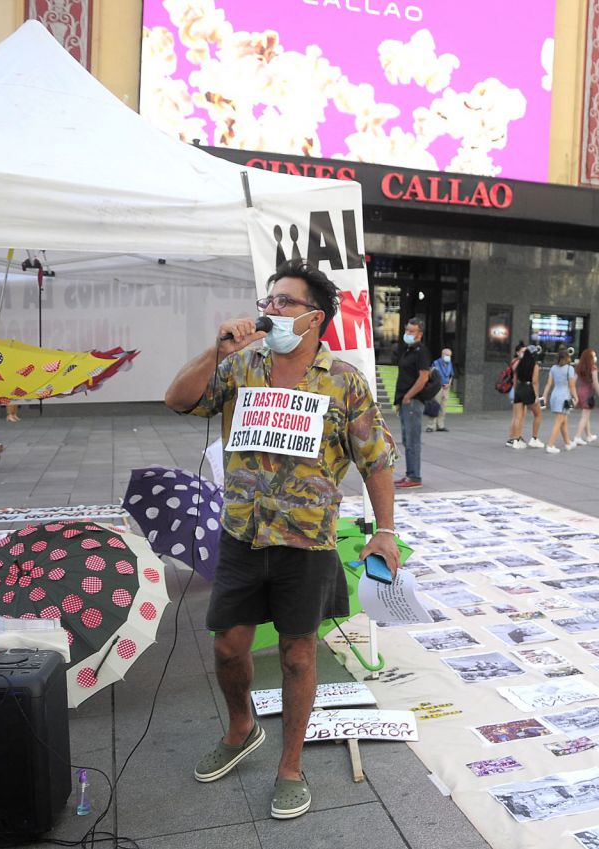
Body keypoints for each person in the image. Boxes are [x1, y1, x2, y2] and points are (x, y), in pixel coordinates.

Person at [164, 259, 399, 820]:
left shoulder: (343, 381)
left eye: (283, 303)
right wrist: (215, 350)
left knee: (298, 654)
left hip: (307, 544)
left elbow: (377, 461)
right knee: (227, 647)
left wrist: (385, 532)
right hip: (243, 535)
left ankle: (290, 766)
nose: (269, 311)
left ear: (314, 317)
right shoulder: (241, 365)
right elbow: (178, 399)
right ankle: (242, 725)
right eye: (267, 301)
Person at [393, 317, 431, 488]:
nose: (407, 333)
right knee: (407, 440)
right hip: (405, 402)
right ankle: (410, 474)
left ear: (420, 334)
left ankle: (415, 476)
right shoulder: (409, 350)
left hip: (413, 402)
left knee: (412, 440)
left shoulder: (421, 351)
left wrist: (408, 396)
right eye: (407, 330)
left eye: (411, 331)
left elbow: (423, 377)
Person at [540, 349, 578, 453]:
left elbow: (548, 384)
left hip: (554, 395)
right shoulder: (570, 369)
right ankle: (550, 445)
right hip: (564, 396)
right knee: (559, 421)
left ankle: (568, 443)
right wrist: (576, 397)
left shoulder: (553, 368)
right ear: (567, 358)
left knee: (563, 421)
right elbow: (572, 385)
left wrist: (544, 396)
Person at [507, 346, 544, 449]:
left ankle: (515, 440)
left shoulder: (519, 363)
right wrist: (536, 396)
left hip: (518, 388)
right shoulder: (534, 365)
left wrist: (515, 390)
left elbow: (514, 378)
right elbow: (535, 382)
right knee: (538, 414)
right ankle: (534, 438)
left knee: (518, 416)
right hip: (528, 389)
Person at [572, 348, 599, 446]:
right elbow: (595, 383)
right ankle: (577, 437)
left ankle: (589, 435)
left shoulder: (579, 367)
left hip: (580, 391)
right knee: (585, 416)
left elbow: (573, 381)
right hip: (588, 393)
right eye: (593, 355)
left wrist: (573, 394)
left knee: (586, 414)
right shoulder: (593, 368)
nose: (595, 357)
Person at [426, 347, 454, 432]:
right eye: (447, 355)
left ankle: (440, 425)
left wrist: (449, 384)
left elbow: (451, 375)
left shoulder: (450, 363)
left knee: (443, 407)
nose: (448, 357)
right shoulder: (436, 363)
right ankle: (431, 426)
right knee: (435, 406)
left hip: (446, 388)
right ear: (442, 355)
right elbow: (434, 375)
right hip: (437, 388)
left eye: (449, 355)